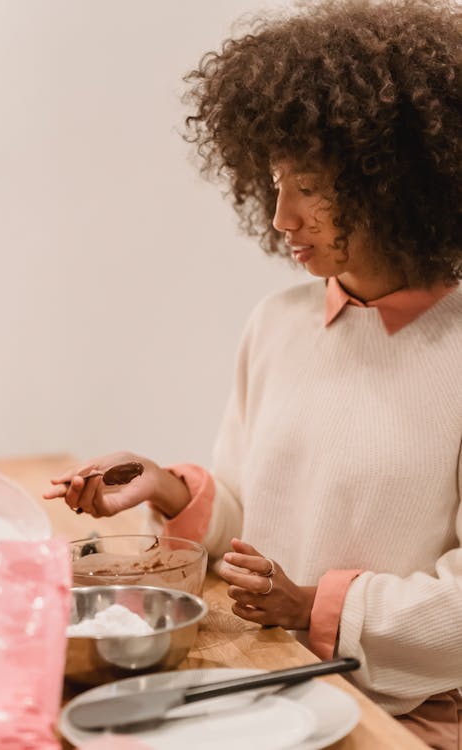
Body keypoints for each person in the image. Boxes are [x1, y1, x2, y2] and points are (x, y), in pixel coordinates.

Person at [44, 0, 462, 746]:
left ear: (397, 180)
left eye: (311, 187)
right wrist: (168, 488)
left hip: (405, 719)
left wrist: (314, 606)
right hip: (263, 679)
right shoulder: (278, 323)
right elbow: (249, 521)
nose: (280, 217)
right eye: (274, 183)